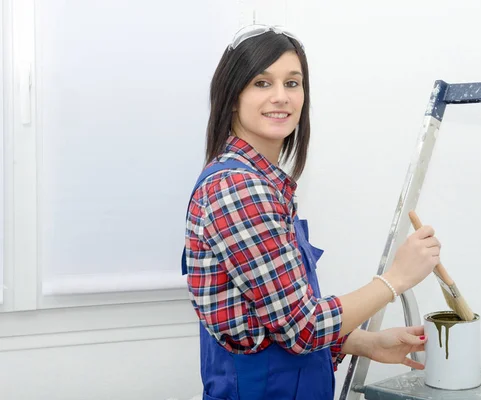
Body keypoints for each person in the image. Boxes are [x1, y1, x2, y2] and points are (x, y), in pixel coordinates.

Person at [181, 24, 441, 400]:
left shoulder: (263, 184)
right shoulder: (238, 188)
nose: (281, 97)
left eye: (292, 83)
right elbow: (302, 328)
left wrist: (364, 343)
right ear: (232, 97)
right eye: (261, 82)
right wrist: (395, 279)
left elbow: (275, 320)